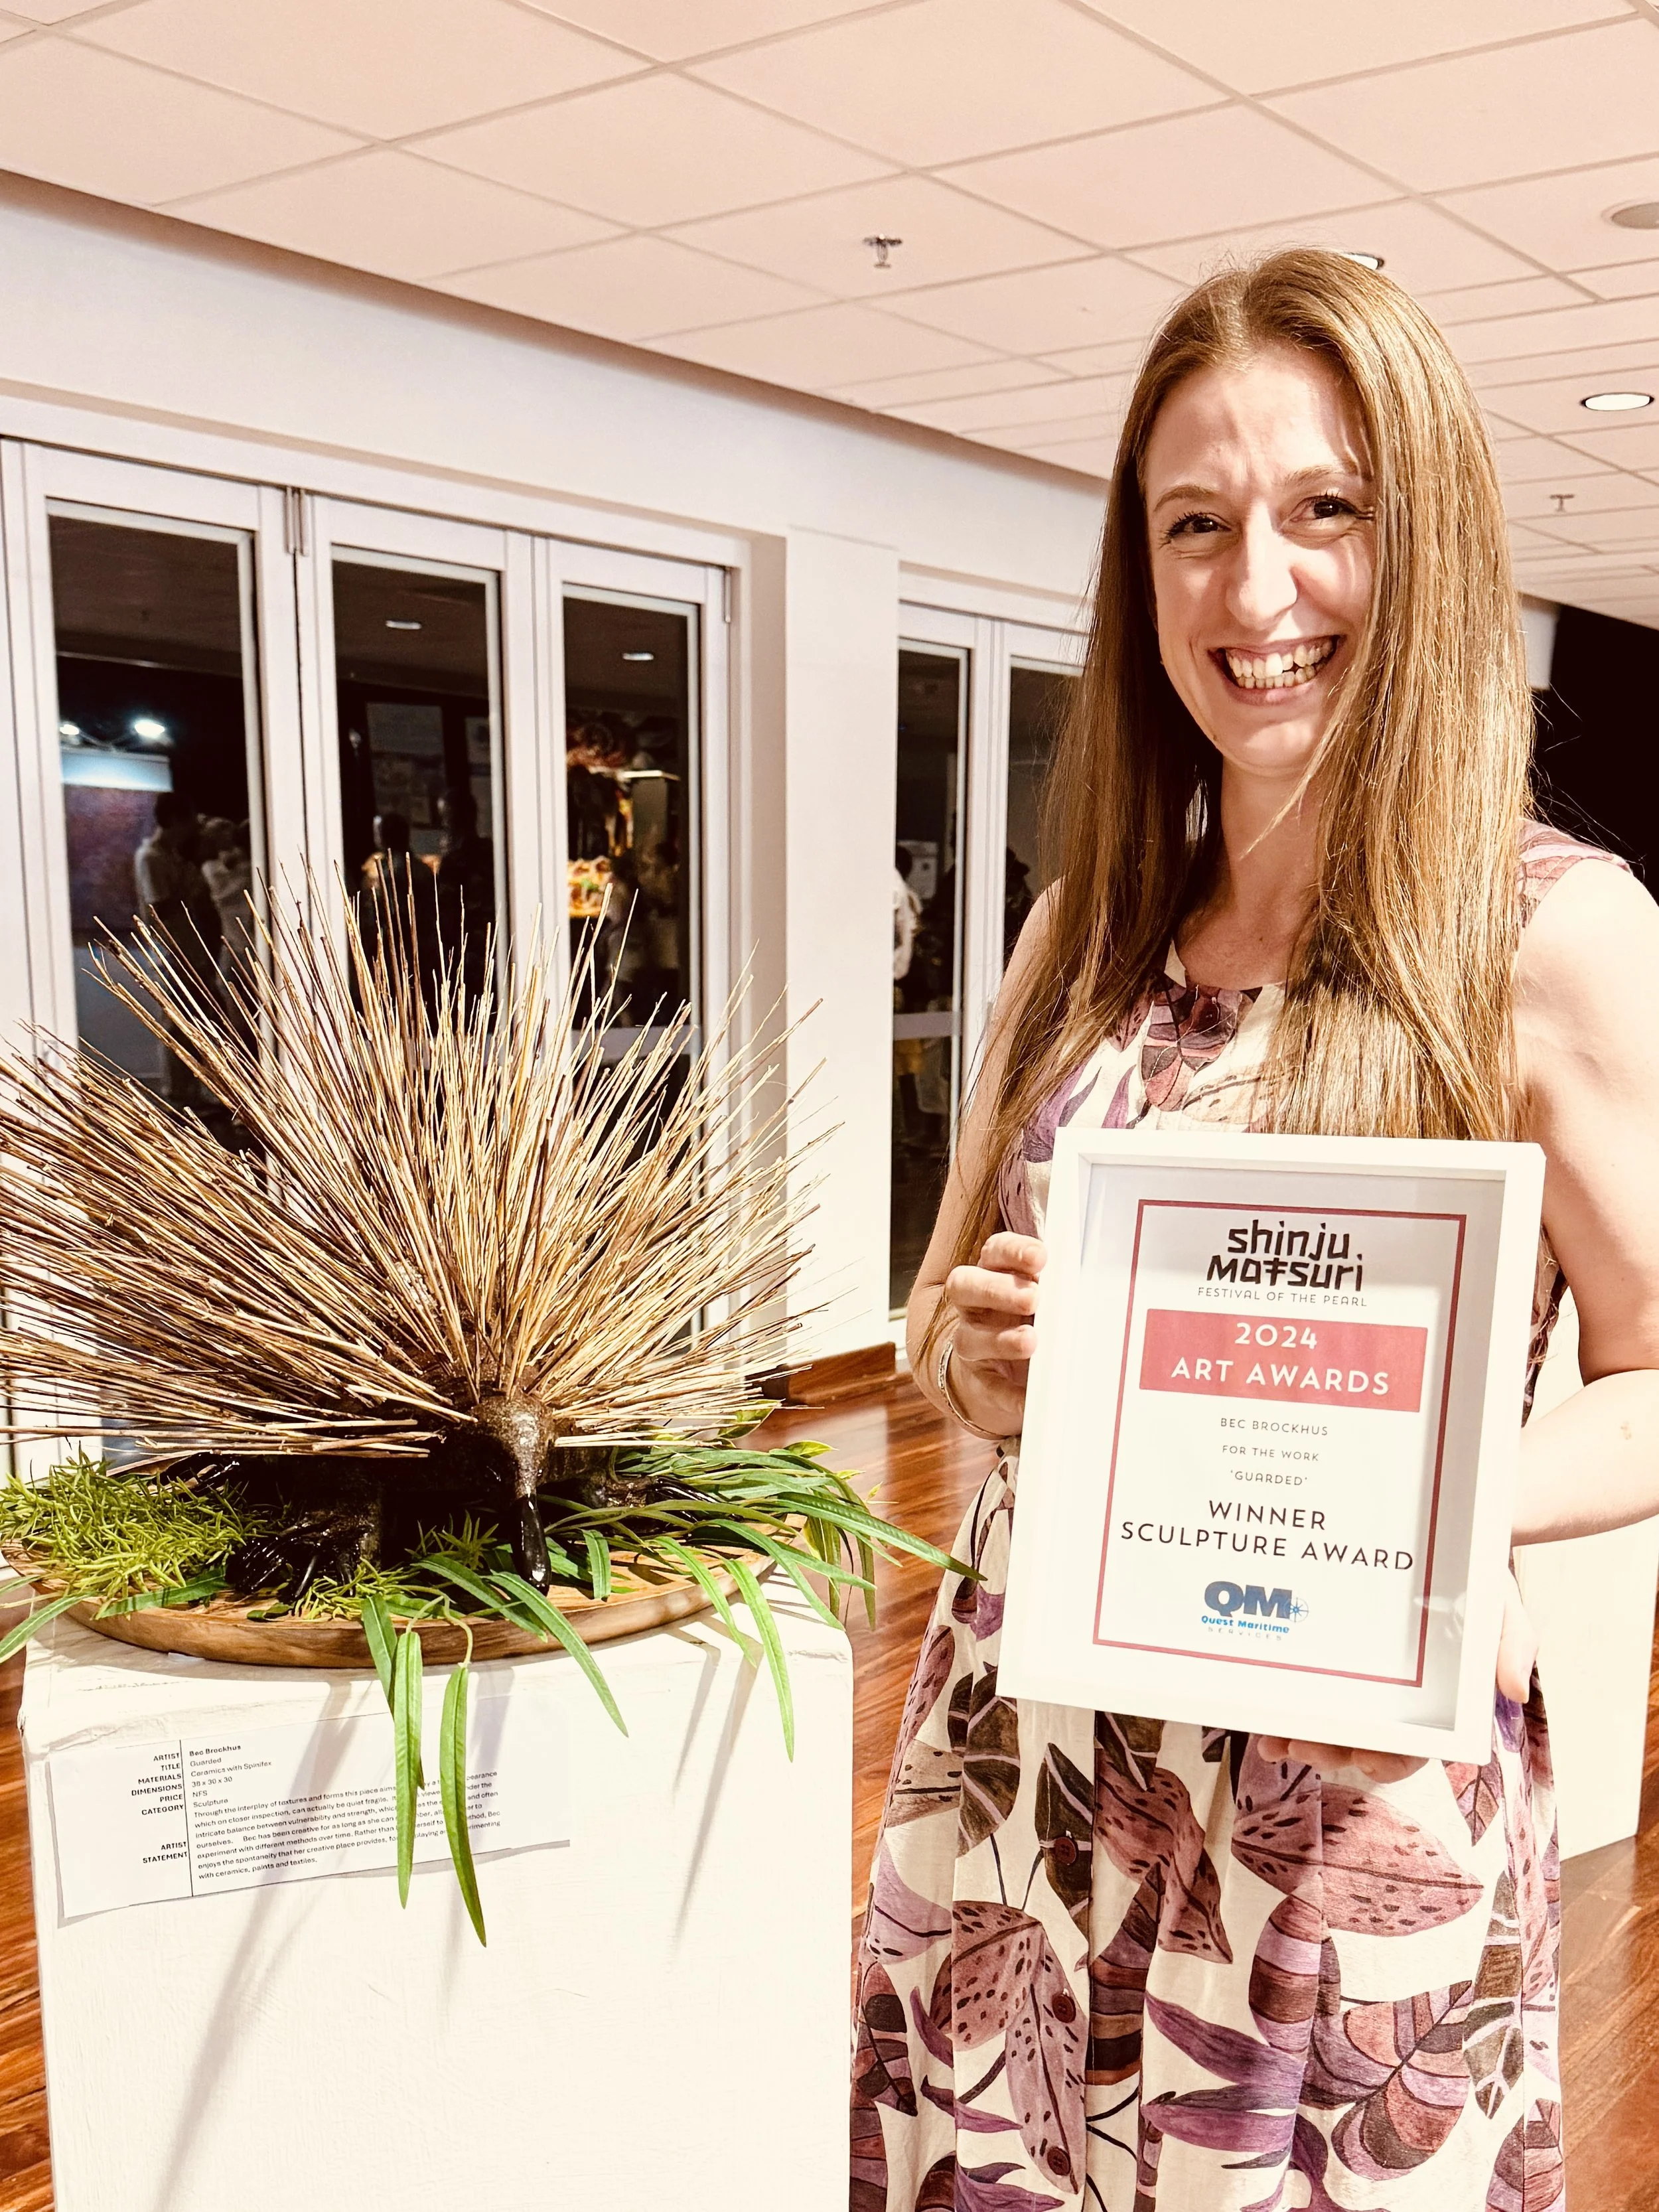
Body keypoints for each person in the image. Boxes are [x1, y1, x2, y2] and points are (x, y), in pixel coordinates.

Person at [853, 249, 1659, 2211]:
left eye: (1324, 514)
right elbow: (927, 1320)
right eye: (1192, 526)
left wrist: (1426, 1491)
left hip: (1343, 1797)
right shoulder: (1086, 924)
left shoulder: (1550, 935)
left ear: (1429, 544)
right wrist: (967, 1351)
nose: (1252, 592)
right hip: (1024, 1752)